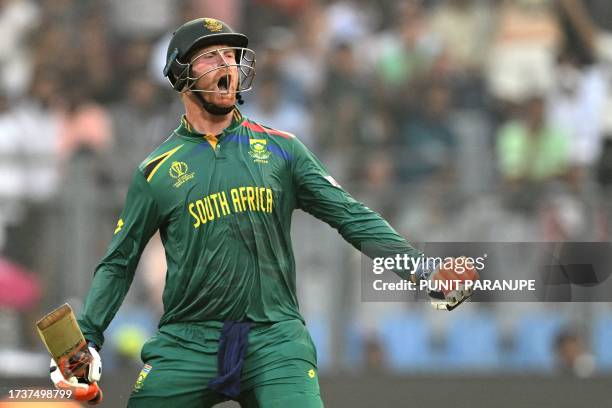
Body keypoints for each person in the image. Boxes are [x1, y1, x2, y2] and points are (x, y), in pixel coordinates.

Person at [49, 18, 476, 407]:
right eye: (212, 55)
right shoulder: (156, 171)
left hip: (275, 337)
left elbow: (351, 215)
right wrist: (85, 339)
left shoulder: (282, 149)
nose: (228, 65)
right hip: (188, 341)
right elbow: (120, 260)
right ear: (180, 73)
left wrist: (422, 270)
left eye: (232, 56)